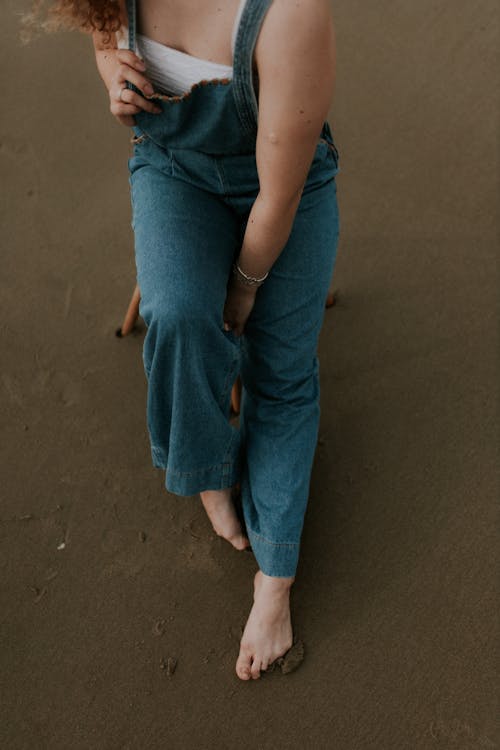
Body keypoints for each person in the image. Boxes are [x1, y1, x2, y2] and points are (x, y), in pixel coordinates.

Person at [28, 0, 340, 681]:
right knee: (173, 316)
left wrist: (246, 284)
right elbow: (106, 43)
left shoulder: (290, 11)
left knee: (282, 376)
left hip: (285, 191)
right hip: (176, 173)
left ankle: (275, 581)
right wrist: (115, 79)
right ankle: (205, 469)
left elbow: (279, 197)